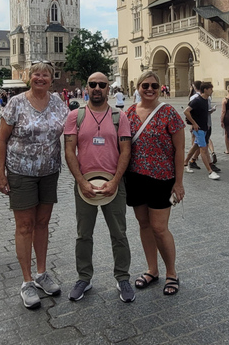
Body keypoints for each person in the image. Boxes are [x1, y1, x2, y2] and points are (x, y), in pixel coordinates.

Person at [0, 61, 68, 309]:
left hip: (49, 171)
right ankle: (26, 281)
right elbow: (1, 140)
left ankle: (41, 274)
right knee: (25, 225)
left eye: (45, 75)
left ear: (51, 78)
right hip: (20, 171)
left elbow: (73, 130)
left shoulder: (59, 103)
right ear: (29, 77)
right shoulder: (16, 102)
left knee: (42, 223)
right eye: (36, 74)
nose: (40, 78)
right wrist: (0, 172)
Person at [64, 72, 134, 303]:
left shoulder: (119, 116)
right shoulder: (75, 116)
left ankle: (122, 277)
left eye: (102, 85)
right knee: (83, 235)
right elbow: (69, 151)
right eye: (92, 84)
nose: (97, 88)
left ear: (108, 89)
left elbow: (126, 151)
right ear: (86, 87)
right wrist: (81, 182)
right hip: (85, 184)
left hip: (113, 183)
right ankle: (84, 277)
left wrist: (115, 181)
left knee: (119, 234)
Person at [124, 71, 185, 296]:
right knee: (144, 225)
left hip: (162, 178)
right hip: (135, 177)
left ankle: (172, 272)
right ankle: (152, 269)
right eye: (145, 85)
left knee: (160, 228)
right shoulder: (128, 113)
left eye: (154, 86)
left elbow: (180, 151)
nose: (150, 89)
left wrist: (179, 183)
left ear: (160, 88)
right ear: (137, 87)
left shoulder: (168, 112)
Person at [184, 82, 220, 180]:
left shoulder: (206, 100)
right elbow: (186, 111)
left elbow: (203, 113)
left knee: (195, 146)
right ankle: (210, 171)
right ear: (205, 89)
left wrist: (210, 113)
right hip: (198, 129)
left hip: (204, 127)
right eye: (210, 89)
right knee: (203, 149)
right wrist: (194, 124)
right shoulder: (197, 100)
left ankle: (185, 163)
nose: (212, 91)